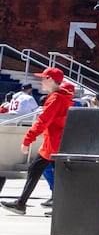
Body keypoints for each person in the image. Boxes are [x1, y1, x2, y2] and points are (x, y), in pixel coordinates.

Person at [2, 68, 72, 214]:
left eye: (44, 78)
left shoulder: (55, 98)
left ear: (51, 80)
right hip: (56, 142)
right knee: (41, 170)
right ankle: (24, 203)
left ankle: (24, 204)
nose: (41, 81)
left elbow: (43, 121)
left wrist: (28, 139)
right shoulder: (63, 97)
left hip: (53, 144)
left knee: (41, 171)